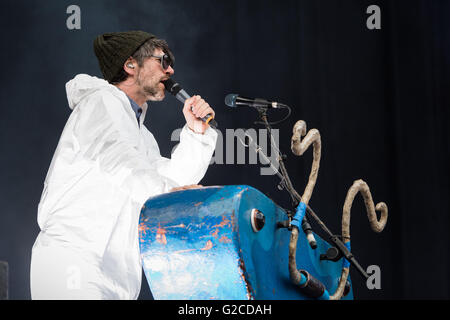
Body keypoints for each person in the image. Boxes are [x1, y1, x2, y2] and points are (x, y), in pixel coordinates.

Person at [30, 31, 218, 299]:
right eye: (163, 60)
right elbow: (122, 165)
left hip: (117, 277)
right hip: (74, 263)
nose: (171, 69)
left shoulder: (141, 136)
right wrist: (172, 197)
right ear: (130, 65)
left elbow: (170, 179)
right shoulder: (101, 102)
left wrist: (196, 134)